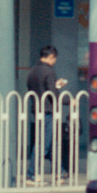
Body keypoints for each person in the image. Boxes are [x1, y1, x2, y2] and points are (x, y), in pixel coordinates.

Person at [26, 45, 66, 182]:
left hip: (36, 110)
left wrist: (56, 85)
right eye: (55, 58)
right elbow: (52, 94)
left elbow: (42, 89)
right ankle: (31, 174)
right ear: (51, 57)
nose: (55, 61)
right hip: (48, 111)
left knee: (51, 142)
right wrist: (69, 100)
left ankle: (59, 172)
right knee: (43, 144)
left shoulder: (32, 70)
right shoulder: (49, 71)